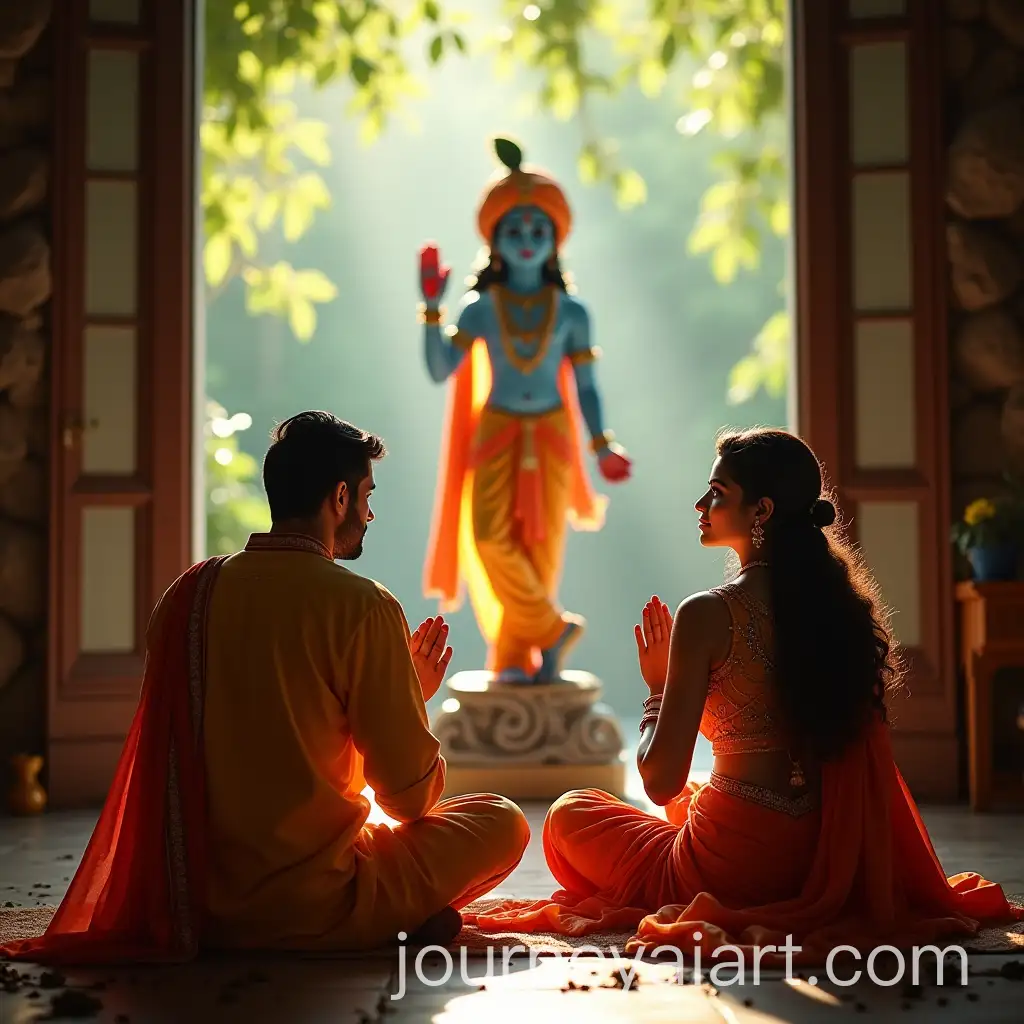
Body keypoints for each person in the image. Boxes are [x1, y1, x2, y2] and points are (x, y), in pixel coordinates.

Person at [463, 427, 1023, 964]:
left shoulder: (708, 613)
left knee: (569, 815)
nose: (699, 504)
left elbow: (660, 783)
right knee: (700, 798)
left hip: (726, 866)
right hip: (824, 855)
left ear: (762, 511)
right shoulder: (839, 610)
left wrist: (656, 693)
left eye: (717, 493)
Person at [1, 412, 530, 965]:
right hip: (321, 903)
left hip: (199, 905)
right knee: (501, 820)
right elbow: (408, 798)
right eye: (368, 496)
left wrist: (399, 693)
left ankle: (397, 918)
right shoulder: (363, 605)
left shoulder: (190, 594)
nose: (370, 514)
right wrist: (409, 705)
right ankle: (382, 921)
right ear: (341, 497)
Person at [419, 136, 632, 684]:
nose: (528, 240)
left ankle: (520, 655)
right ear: (494, 241)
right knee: (492, 537)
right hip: (495, 431)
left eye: (539, 230)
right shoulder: (480, 308)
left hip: (555, 434)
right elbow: (442, 370)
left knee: (540, 546)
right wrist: (431, 308)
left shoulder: (573, 311)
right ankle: (552, 629)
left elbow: (587, 385)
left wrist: (602, 443)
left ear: (556, 240)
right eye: (514, 230)